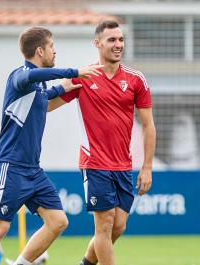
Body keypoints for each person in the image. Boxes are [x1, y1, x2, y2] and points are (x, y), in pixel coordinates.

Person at [0, 26, 103, 265]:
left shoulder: (38, 87)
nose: (55, 51)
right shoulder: (20, 76)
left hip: (32, 170)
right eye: (52, 47)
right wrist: (74, 71)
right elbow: (31, 77)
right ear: (40, 50)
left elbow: (41, 101)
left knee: (58, 221)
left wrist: (63, 88)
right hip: (10, 165)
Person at [48, 20, 156, 265]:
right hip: (94, 162)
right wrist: (54, 87)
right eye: (112, 40)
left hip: (123, 165)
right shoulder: (83, 77)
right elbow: (45, 107)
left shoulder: (136, 79)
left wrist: (147, 167)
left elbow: (149, 126)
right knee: (105, 224)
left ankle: (85, 263)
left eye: (121, 40)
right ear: (97, 43)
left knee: (118, 226)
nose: (118, 45)